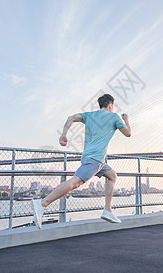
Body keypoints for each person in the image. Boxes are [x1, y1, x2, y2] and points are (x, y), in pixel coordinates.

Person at [31, 94, 132, 228]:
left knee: (112, 176)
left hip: (94, 160)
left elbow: (70, 118)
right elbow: (128, 133)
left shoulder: (90, 115)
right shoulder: (114, 117)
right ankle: (43, 203)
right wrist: (126, 120)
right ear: (111, 105)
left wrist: (63, 134)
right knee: (76, 182)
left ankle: (108, 210)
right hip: (95, 160)